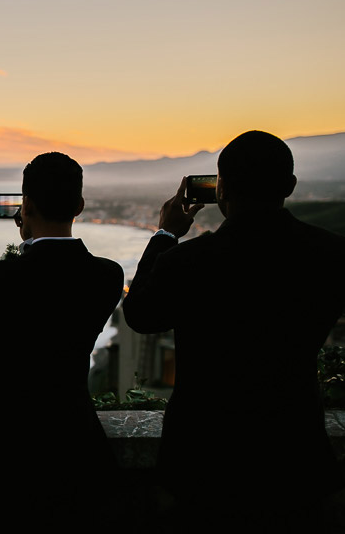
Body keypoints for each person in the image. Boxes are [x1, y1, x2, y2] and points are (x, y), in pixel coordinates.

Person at [123, 130, 345, 528]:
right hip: (295, 454)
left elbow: (139, 315)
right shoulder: (332, 255)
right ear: (289, 186)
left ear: (221, 190)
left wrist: (164, 235)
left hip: (202, 459)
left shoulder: (189, 261)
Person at [0, 152, 124, 529]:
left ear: (27, 207)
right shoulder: (107, 275)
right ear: (80, 206)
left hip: (7, 453)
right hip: (77, 447)